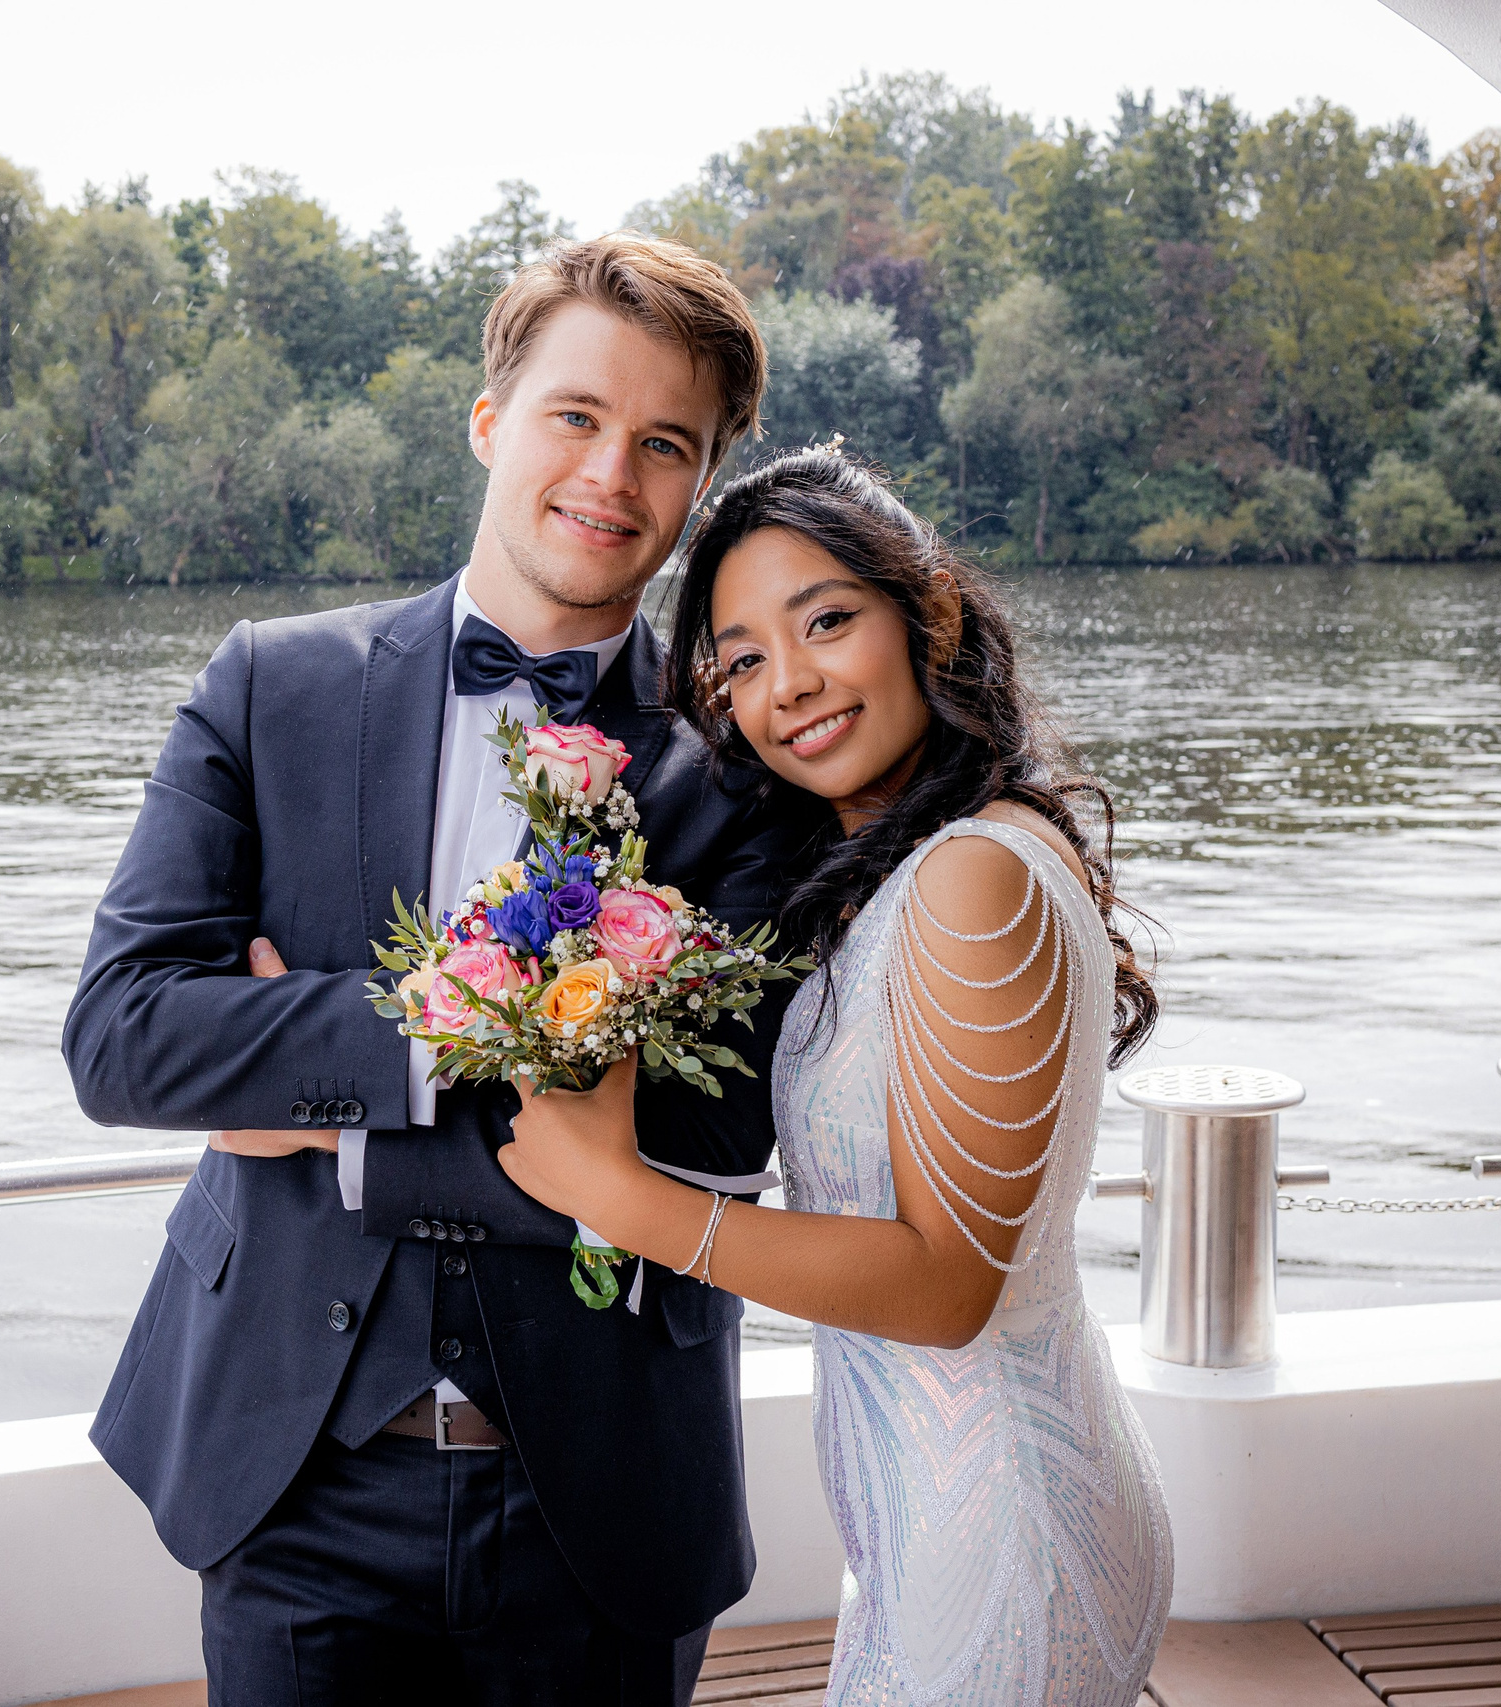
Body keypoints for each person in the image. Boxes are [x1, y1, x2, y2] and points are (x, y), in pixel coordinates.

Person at [65, 234, 829, 1705]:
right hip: (290, 1470)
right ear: (490, 421)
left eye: (664, 443)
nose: (613, 472)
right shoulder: (266, 684)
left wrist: (316, 1094)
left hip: (606, 1484)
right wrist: (437, 1051)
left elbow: (717, 1137)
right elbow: (123, 1038)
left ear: (699, 483)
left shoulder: (742, 771)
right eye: (577, 415)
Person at [498, 447, 1174, 1705]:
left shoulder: (973, 877)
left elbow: (943, 1288)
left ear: (932, 614)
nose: (789, 684)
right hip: (941, 1501)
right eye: (743, 659)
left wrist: (623, 1199)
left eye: (826, 622)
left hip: (999, 1525)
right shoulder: (905, 868)